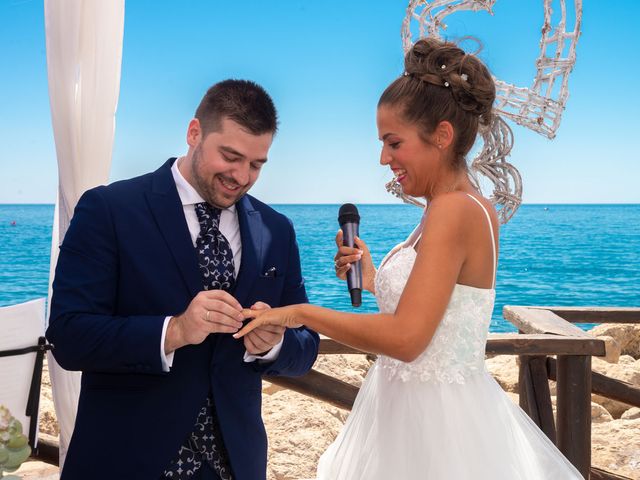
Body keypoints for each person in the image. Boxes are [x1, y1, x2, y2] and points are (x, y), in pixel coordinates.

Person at [235, 39, 584, 479]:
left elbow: (407, 338)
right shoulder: (454, 206)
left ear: (441, 135)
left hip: (437, 428)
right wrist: (372, 272)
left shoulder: (454, 210)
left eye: (393, 142)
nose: (384, 158)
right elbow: (439, 308)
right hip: (409, 409)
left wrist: (299, 313)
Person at [46, 79, 320, 480]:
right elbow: (68, 337)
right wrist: (173, 331)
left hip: (236, 466)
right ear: (194, 133)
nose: (242, 176)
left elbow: (306, 345)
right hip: (126, 461)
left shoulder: (277, 229)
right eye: (231, 156)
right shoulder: (109, 209)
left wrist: (275, 345)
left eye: (257, 164)